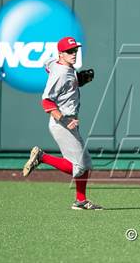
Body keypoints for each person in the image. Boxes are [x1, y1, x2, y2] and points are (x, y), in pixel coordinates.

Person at [22, 36, 102, 210]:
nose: (74, 54)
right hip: (63, 123)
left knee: (86, 163)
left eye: (75, 50)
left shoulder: (57, 64)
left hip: (68, 122)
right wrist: (64, 120)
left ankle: (81, 200)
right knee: (79, 166)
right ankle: (42, 157)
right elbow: (47, 102)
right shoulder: (60, 73)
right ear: (61, 54)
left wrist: (77, 80)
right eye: (69, 51)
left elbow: (47, 65)